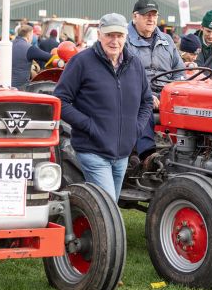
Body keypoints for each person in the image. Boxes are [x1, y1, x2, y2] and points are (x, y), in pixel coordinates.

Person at [54, 13, 152, 201]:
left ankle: (90, 229)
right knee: (108, 208)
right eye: (109, 35)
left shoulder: (135, 64)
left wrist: (136, 128)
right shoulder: (81, 62)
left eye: (119, 36)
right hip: (94, 150)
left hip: (122, 153)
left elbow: (146, 100)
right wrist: (89, 126)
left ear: (126, 37)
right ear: (99, 35)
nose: (114, 41)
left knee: (108, 208)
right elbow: (61, 101)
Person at [125, 0, 185, 155]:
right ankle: (147, 157)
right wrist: (146, 95)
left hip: (166, 93)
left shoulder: (167, 40)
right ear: (135, 16)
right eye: (146, 15)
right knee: (144, 109)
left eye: (154, 15)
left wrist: (172, 92)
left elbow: (179, 71)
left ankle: (189, 153)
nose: (151, 19)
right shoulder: (123, 41)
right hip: (135, 94)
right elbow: (122, 75)